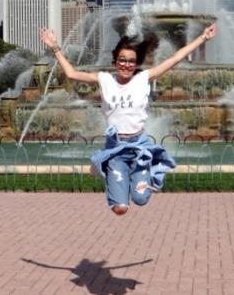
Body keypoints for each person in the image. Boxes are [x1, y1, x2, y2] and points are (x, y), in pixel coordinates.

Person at [40, 23, 217, 215]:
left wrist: (203, 38)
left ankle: (144, 170)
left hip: (140, 147)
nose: (127, 64)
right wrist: (55, 47)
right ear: (115, 61)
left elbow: (175, 58)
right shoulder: (104, 79)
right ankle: (114, 175)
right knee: (120, 208)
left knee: (141, 199)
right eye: (122, 60)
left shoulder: (143, 78)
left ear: (136, 63)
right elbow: (72, 73)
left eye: (131, 61)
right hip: (116, 148)